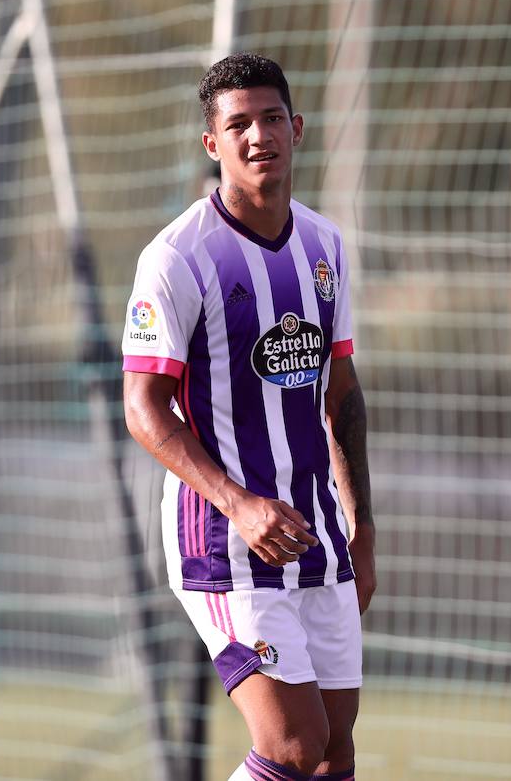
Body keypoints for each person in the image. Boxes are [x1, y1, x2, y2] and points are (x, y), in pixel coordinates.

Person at [123, 54, 375, 781]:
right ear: (213, 145)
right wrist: (239, 505)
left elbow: (343, 394)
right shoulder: (177, 257)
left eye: (270, 119)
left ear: (296, 129)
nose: (257, 135)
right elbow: (143, 407)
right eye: (238, 124)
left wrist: (363, 531)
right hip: (226, 541)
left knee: (333, 753)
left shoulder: (325, 247)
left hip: (321, 531)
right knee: (292, 744)